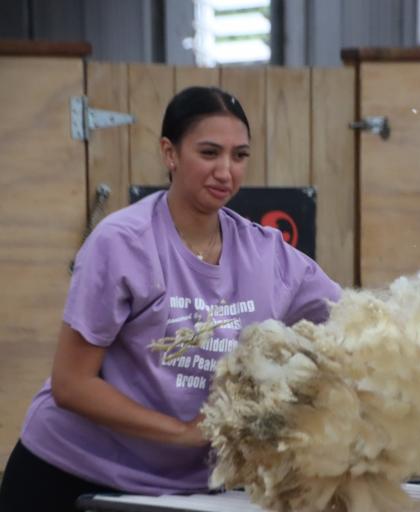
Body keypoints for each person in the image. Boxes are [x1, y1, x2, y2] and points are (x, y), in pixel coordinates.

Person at [0, 86, 341, 511]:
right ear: (170, 153)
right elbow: (72, 384)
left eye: (239, 156)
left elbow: (355, 323)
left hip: (188, 489)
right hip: (73, 473)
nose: (226, 171)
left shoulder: (267, 255)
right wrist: (182, 432)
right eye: (210, 152)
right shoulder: (123, 244)